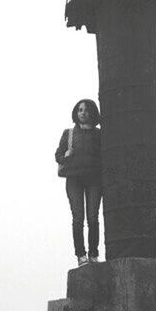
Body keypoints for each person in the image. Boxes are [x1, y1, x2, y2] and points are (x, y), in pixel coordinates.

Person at [55, 98, 102, 266]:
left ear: (93, 113)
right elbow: (57, 156)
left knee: (93, 217)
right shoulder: (69, 133)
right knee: (78, 218)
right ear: (76, 112)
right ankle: (81, 255)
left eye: (87, 110)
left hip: (94, 179)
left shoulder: (99, 134)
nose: (83, 113)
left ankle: (94, 255)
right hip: (74, 179)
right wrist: (65, 155)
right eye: (80, 110)